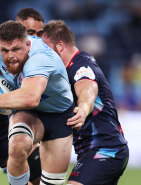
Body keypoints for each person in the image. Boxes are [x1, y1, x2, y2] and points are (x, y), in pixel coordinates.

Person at [0, 20, 75, 185]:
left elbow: (30, 98)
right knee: (14, 147)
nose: (10, 56)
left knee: (45, 181)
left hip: (55, 115)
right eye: (5, 50)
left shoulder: (40, 59)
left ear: (28, 45)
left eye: (16, 49)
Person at [41, 20, 129, 185]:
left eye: (45, 49)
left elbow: (88, 88)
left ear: (60, 46)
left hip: (105, 150)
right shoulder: (66, 70)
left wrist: (83, 108)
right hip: (97, 150)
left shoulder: (81, 66)